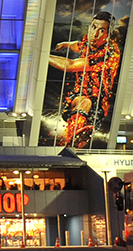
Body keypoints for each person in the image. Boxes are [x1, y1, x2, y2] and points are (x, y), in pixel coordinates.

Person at [48, 10, 123, 148]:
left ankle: (76, 137)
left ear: (108, 34)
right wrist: (66, 44)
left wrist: (44, 55)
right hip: (80, 90)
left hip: (97, 97)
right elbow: (80, 45)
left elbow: (70, 65)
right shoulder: (90, 42)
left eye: (101, 30)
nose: (95, 34)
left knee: (85, 103)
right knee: (78, 102)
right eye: (94, 27)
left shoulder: (109, 53)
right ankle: (73, 137)